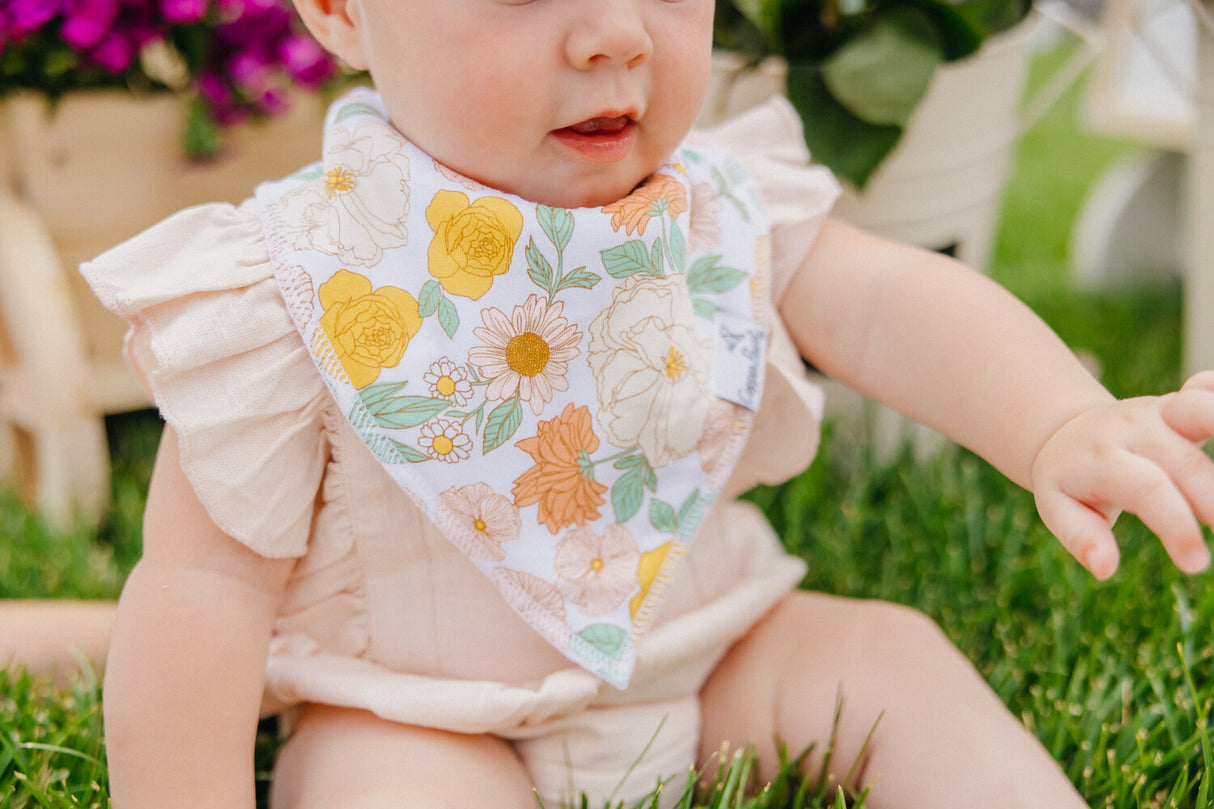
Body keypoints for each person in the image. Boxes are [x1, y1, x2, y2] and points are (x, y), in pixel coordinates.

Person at [75, 1, 1214, 808]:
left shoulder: (714, 205)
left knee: (892, 657)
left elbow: (881, 303)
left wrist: (1059, 420)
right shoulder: (297, 283)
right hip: (414, 704)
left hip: (707, 650)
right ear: (335, 9)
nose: (617, 30)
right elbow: (199, 592)